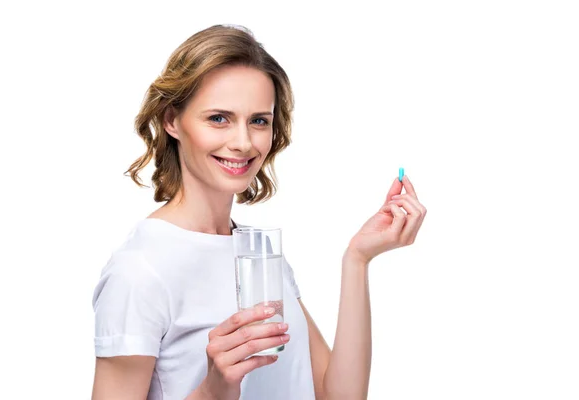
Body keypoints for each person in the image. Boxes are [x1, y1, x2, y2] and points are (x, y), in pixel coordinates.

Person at [91, 24, 427, 400]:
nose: (243, 142)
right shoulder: (140, 270)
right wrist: (212, 392)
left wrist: (358, 260)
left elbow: (340, 396)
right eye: (218, 118)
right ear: (172, 121)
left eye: (258, 121)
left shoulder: (259, 256)